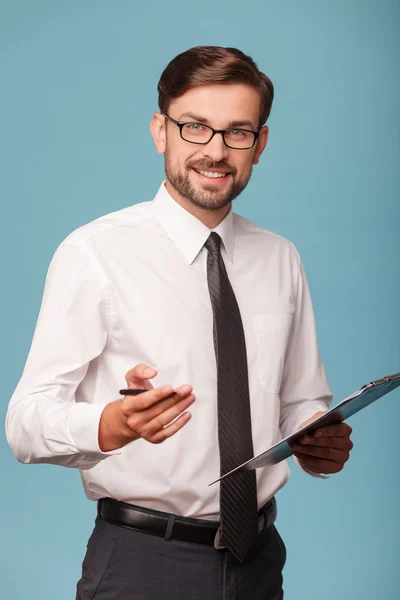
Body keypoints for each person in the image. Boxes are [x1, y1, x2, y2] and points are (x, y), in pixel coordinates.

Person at [5, 45, 353, 600]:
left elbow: (299, 400)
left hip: (260, 562)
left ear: (260, 144)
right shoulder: (95, 252)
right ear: (159, 130)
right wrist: (113, 424)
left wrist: (319, 438)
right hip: (142, 563)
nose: (215, 151)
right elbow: (24, 424)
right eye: (195, 127)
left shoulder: (281, 257)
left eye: (238, 132)